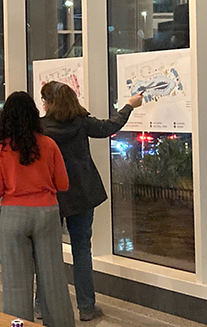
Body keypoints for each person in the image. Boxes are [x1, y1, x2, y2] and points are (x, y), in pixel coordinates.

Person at [36, 81, 143, 321]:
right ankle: (86, 307)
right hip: (82, 194)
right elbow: (110, 126)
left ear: (50, 103)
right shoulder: (81, 122)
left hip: (52, 195)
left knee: (47, 252)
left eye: (44, 100)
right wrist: (129, 106)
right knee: (82, 250)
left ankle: (42, 305)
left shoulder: (40, 128)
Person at [0, 91, 74, 327]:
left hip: (13, 215)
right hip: (47, 213)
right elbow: (63, 184)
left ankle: (19, 324)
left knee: (16, 281)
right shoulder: (49, 145)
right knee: (53, 277)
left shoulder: (0, 150)